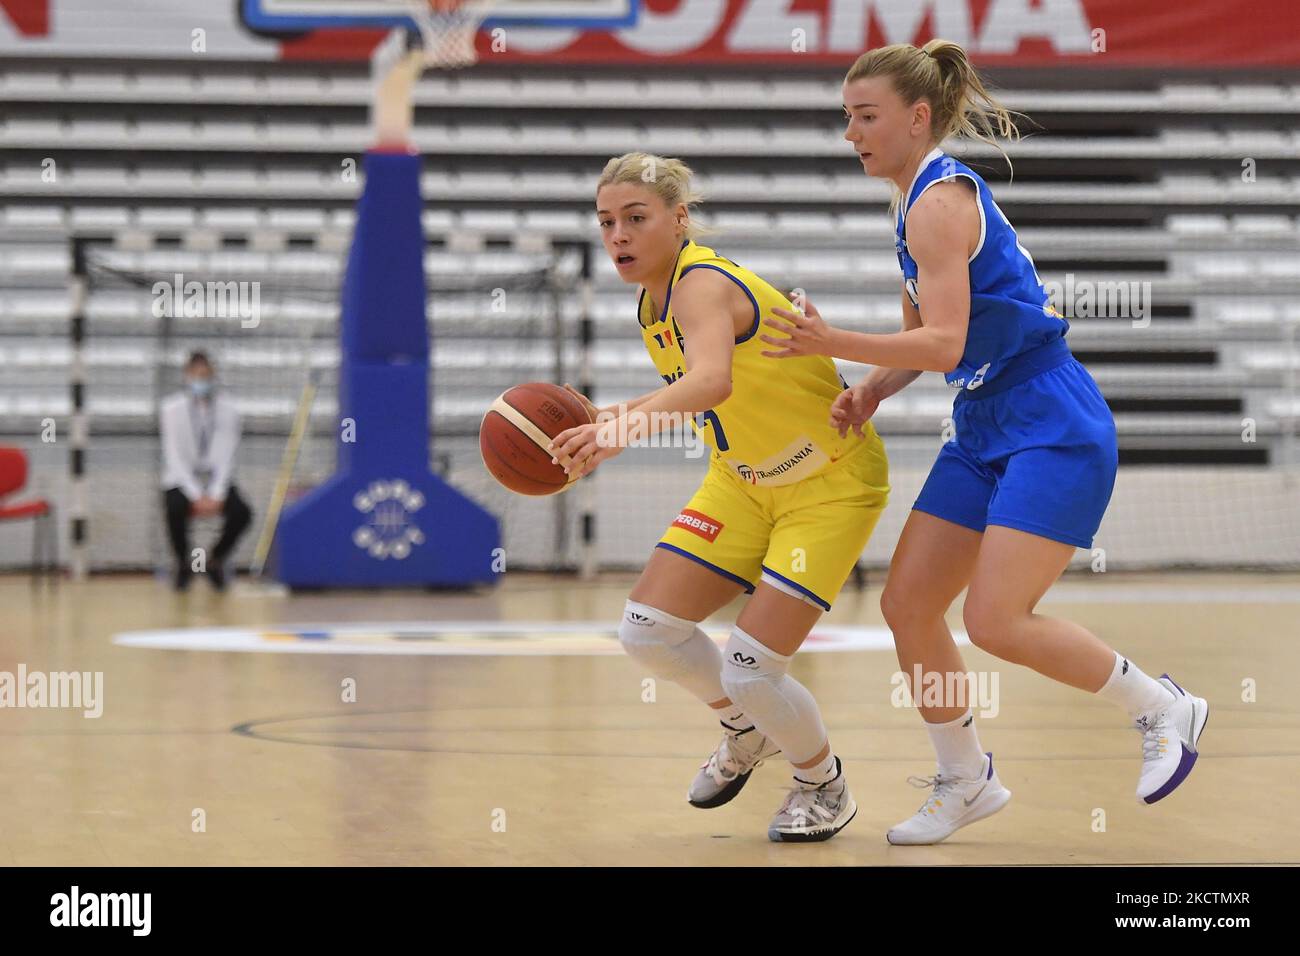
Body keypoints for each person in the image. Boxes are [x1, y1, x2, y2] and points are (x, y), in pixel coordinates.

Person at [759, 40, 1209, 845]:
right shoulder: (907, 204)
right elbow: (926, 339)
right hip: (983, 420)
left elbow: (941, 343)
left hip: (1049, 418)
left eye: (866, 116)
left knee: (997, 619)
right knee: (907, 605)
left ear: (917, 117)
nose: (851, 132)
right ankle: (965, 779)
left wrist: (831, 340)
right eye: (846, 117)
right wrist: (871, 388)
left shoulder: (939, 202)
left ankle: (1161, 707)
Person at [550, 152, 891, 842]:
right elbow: (689, 384)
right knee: (647, 631)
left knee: (751, 667)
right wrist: (615, 415)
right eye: (607, 221)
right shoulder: (654, 300)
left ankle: (823, 784)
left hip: (826, 484)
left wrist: (622, 434)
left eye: (635, 219)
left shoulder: (700, 283)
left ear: (679, 220)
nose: (617, 235)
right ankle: (746, 730)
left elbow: (711, 384)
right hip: (742, 479)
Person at [159, 351, 252, 591]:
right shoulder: (171, 409)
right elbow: (174, 456)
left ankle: (215, 559)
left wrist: (216, 493)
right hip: (183, 479)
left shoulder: (228, 409)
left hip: (215, 479)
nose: (202, 380)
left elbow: (227, 453)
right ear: (187, 376)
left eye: (207, 375)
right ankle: (183, 562)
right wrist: (195, 494)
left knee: (242, 512)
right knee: (174, 507)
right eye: (197, 375)